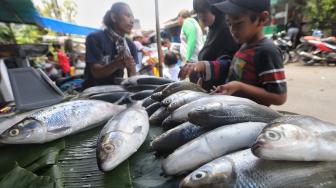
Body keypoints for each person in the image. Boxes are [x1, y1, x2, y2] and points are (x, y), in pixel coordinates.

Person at [179, 0, 287, 106]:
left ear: (262, 19)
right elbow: (233, 69)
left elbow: (279, 97)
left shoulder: (267, 51)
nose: (233, 30)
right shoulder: (244, 46)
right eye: (229, 23)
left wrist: (240, 86)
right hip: (235, 109)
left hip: (251, 118)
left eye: (238, 23)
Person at [83, 2, 137, 89]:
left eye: (132, 17)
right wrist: (116, 64)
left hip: (116, 90)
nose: (132, 21)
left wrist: (131, 67)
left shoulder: (131, 45)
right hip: (92, 91)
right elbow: (96, 73)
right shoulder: (95, 38)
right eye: (127, 15)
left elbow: (133, 77)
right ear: (114, 17)